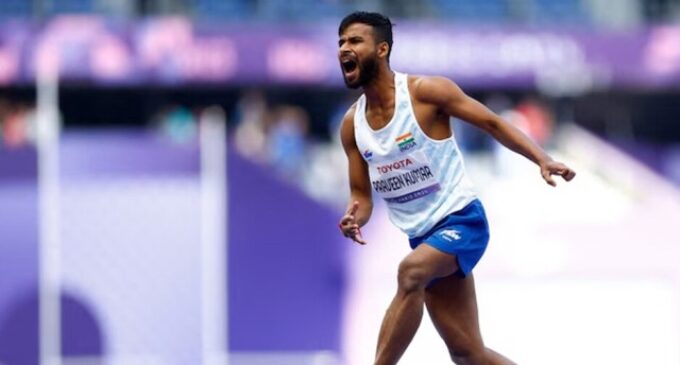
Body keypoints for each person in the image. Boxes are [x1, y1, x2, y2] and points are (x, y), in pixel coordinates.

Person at [335, 11, 575, 365]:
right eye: (340, 42)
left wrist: (541, 158)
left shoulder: (426, 93)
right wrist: (355, 216)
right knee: (467, 353)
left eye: (354, 41)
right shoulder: (351, 126)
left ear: (382, 49)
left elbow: (492, 123)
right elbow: (361, 196)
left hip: (462, 221)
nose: (343, 48)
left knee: (410, 272)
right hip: (423, 237)